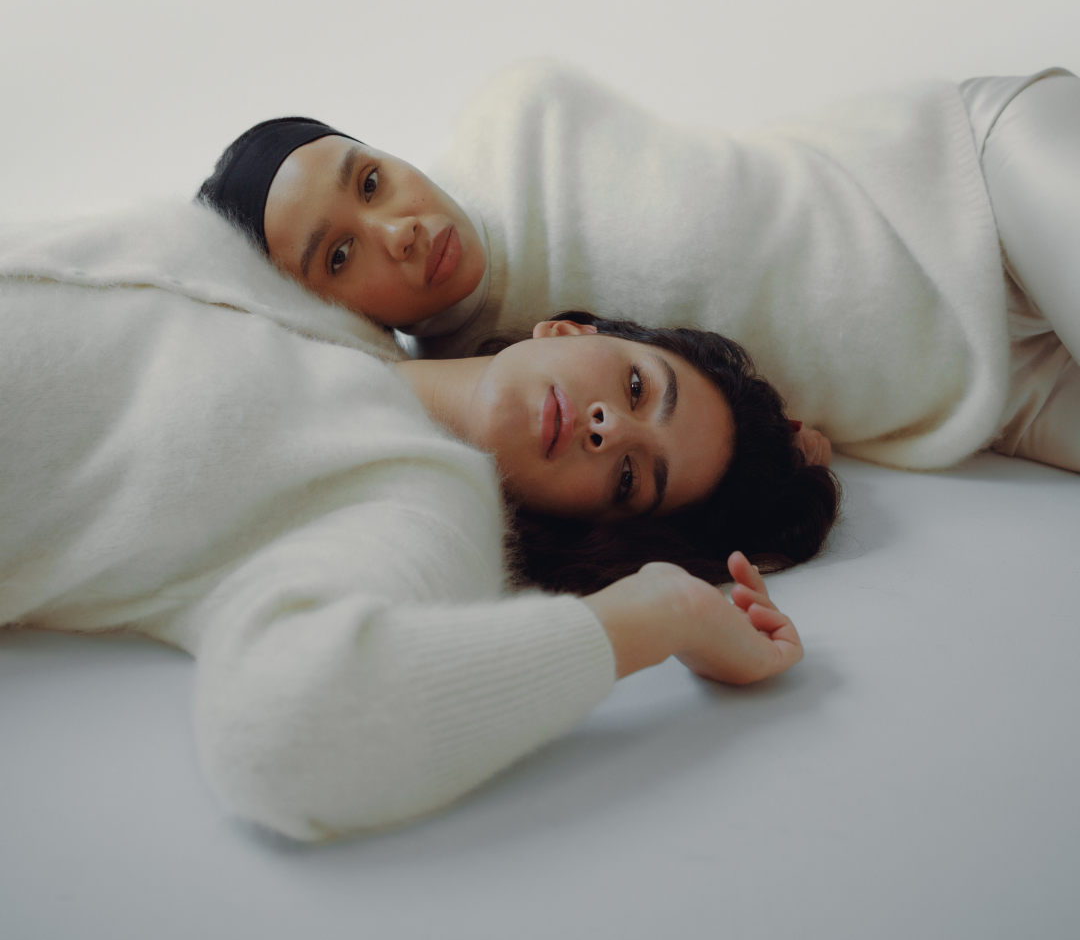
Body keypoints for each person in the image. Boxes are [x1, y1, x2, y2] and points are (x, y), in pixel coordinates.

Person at [0, 198, 838, 841]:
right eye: (637, 387)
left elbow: (292, 734)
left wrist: (659, 613)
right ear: (567, 329)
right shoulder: (327, 296)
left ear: (600, 527)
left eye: (629, 477)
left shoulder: (421, 504)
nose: (608, 427)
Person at [201, 65, 1080, 477]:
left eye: (369, 180)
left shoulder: (520, 126)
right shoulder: (499, 398)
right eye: (340, 254)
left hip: (967, 174)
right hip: (977, 396)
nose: (397, 230)